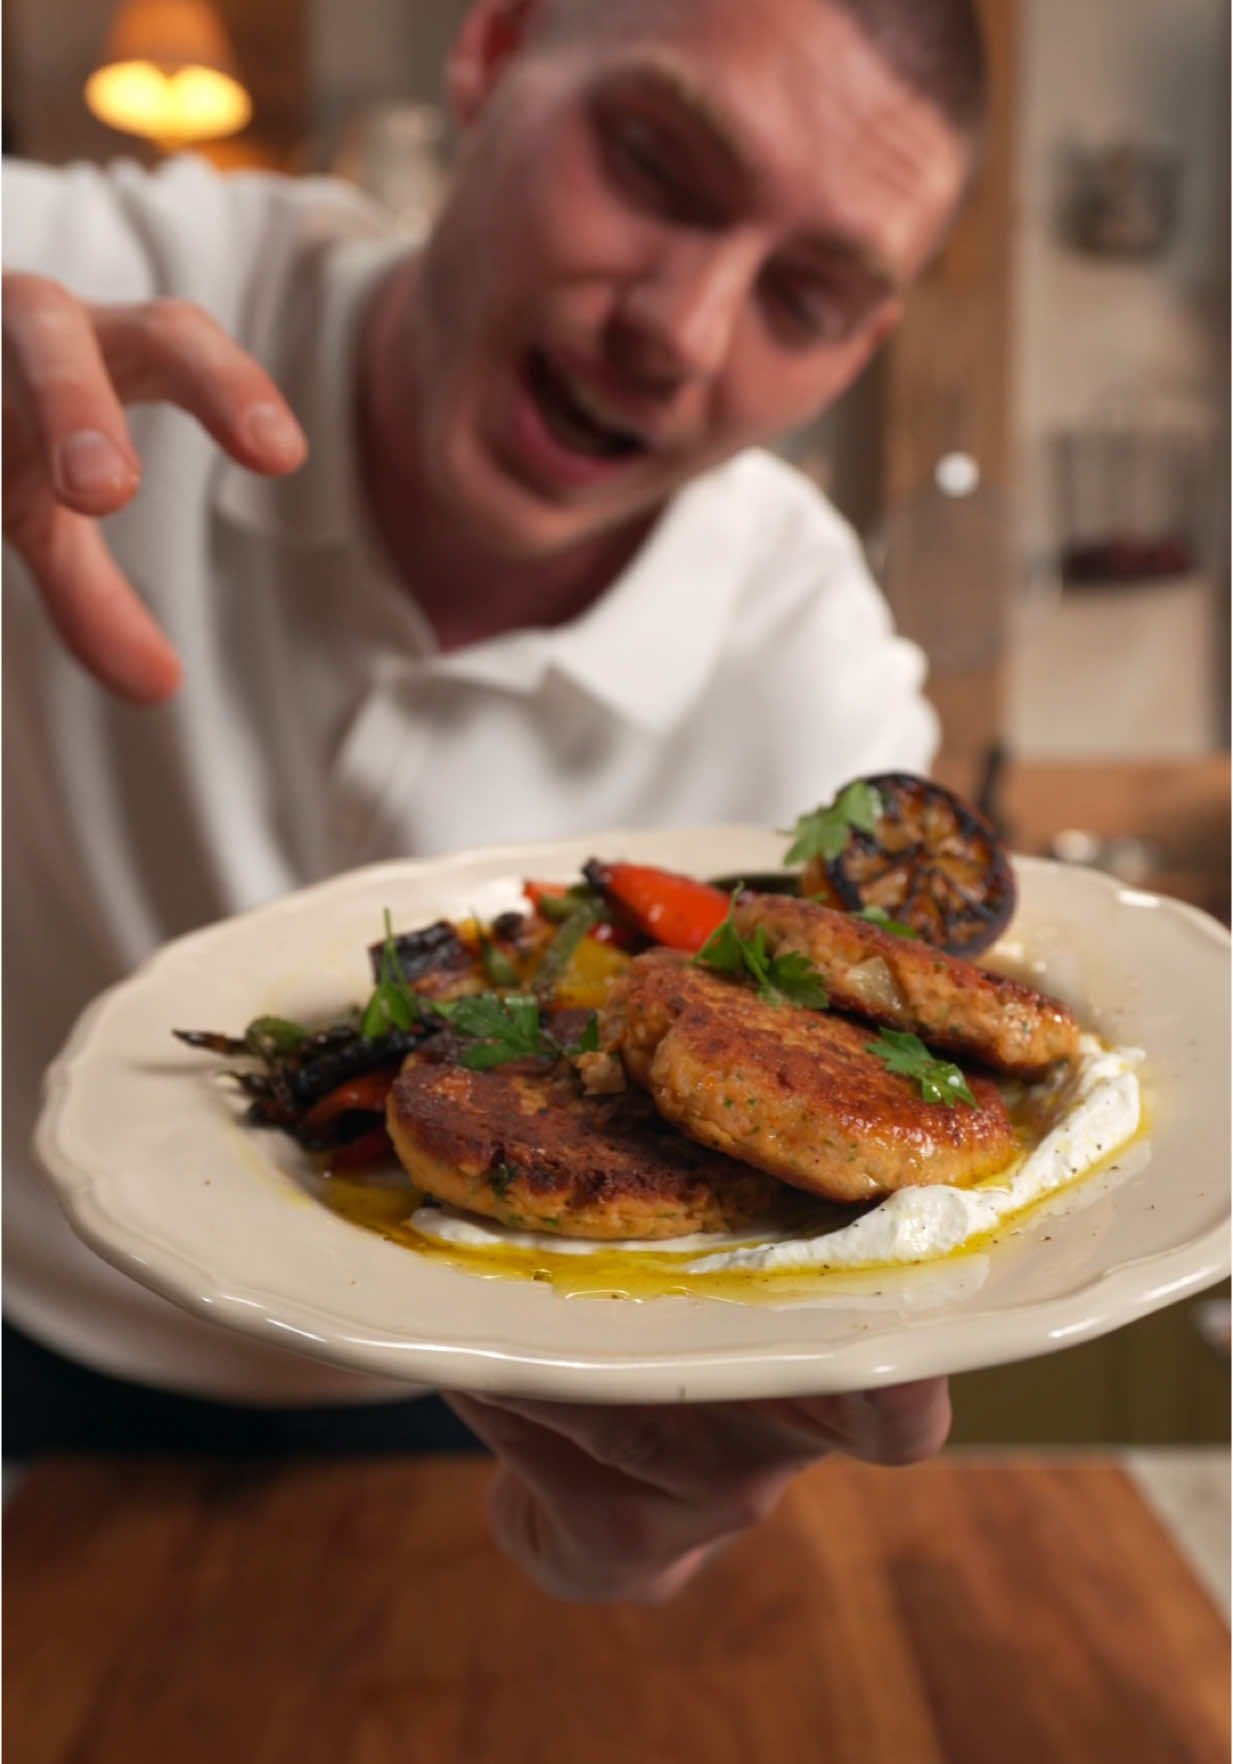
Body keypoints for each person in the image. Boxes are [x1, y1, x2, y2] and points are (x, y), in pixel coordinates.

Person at [3, 0, 982, 1602]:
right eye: (656, 164)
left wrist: (676, 1503)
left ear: (859, 348)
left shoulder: (822, 693)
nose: (683, 326)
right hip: (20, 1326)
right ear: (494, 52)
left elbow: (807, 1288)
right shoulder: (112, 285)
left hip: (494, 1399)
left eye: (805, 296)